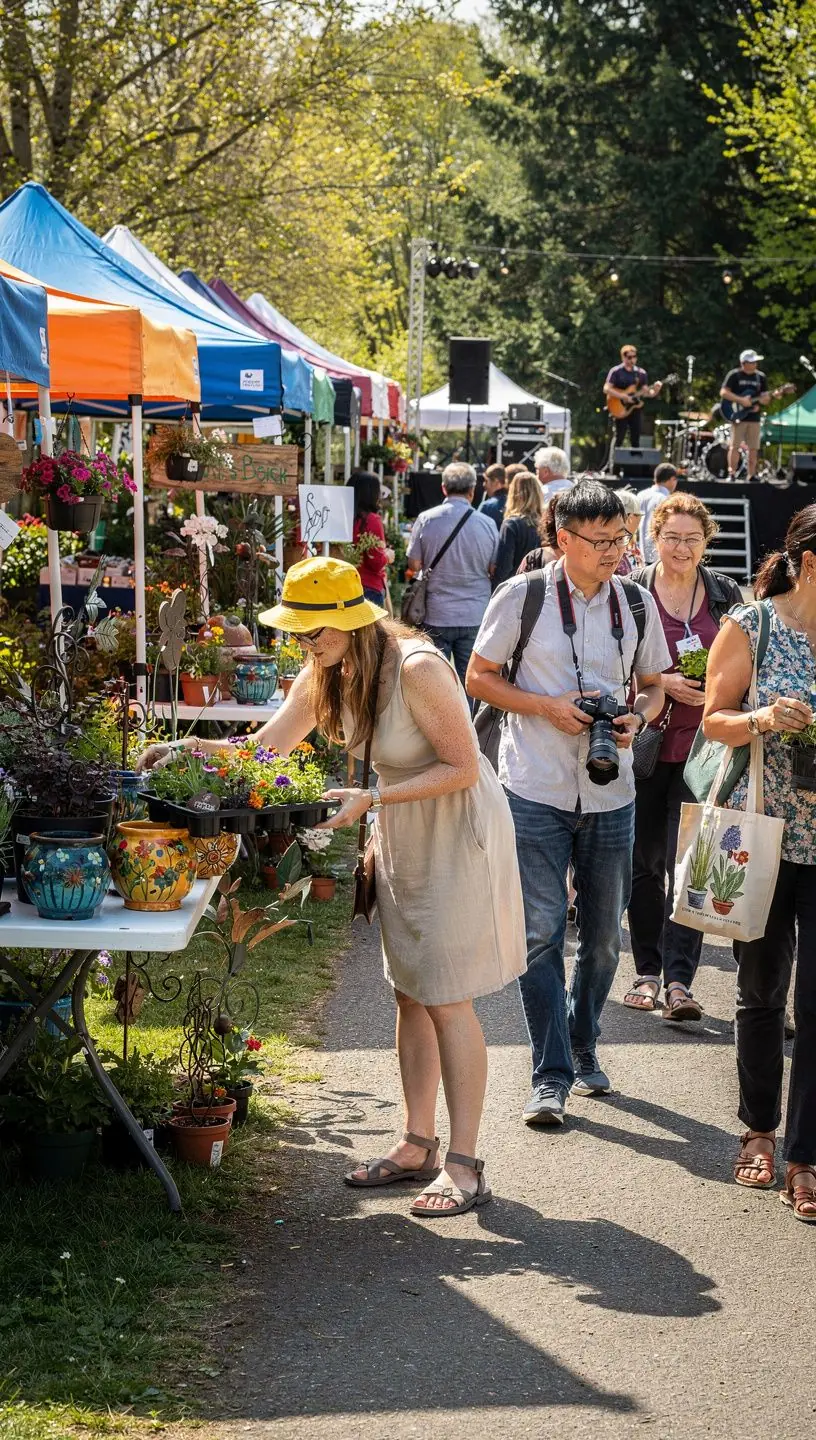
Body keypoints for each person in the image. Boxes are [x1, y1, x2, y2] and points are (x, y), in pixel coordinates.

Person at [139, 558, 526, 1215]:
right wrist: (189, 751)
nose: (304, 643)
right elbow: (267, 748)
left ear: (352, 621)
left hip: (458, 830)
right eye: (296, 631)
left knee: (447, 996)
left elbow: (463, 767)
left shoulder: (417, 668)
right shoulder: (325, 670)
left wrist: (374, 797)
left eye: (313, 631)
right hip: (401, 824)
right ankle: (417, 1144)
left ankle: (465, 1167)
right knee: (410, 992)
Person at [467, 481, 671, 1125]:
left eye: (620, 538)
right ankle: (550, 1071)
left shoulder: (635, 603)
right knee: (540, 934)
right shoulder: (520, 597)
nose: (615, 551)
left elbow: (653, 686)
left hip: (612, 792)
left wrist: (638, 717)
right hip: (534, 786)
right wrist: (545, 707)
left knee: (605, 940)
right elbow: (479, 677)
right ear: (563, 538)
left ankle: (584, 1044)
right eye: (601, 540)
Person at [702, 506, 816, 1223]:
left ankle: (805, 1154)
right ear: (809, 563)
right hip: (762, 835)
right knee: (762, 991)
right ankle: (759, 1128)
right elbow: (713, 719)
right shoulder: (753, 625)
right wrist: (765, 719)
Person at [624, 493, 743, 1018]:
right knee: (644, 865)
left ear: (706, 542)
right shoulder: (632, 591)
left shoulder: (723, 594)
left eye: (692, 539)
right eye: (671, 537)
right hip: (644, 746)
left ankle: (679, 982)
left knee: (691, 864)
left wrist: (718, 689)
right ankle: (646, 971)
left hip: (705, 749)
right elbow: (611, 664)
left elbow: (744, 661)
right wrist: (660, 684)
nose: (681, 547)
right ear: (654, 537)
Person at [406, 461, 498, 686]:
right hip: (474, 613)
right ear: (472, 491)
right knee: (472, 682)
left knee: (437, 682)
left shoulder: (426, 519)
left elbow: (414, 564)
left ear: (444, 488)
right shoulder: (487, 524)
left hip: (436, 612)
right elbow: (493, 568)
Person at [719, 348, 770, 483]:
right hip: (738, 416)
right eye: (752, 362)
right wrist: (740, 400)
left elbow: (765, 398)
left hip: (754, 417)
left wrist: (765, 400)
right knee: (734, 445)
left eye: (755, 362)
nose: (755, 364)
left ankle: (751, 475)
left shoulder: (761, 377)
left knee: (754, 447)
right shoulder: (734, 375)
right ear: (744, 363)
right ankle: (732, 473)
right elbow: (724, 392)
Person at [346, 470, 394, 604]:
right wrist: (388, 555)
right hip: (368, 587)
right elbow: (376, 562)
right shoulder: (371, 520)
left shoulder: (342, 518)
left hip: (344, 585)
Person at [604, 344, 664, 448]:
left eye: (634, 356)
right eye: (629, 357)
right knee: (620, 436)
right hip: (619, 407)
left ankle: (634, 457)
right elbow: (606, 389)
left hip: (634, 408)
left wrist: (655, 390)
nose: (632, 359)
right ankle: (615, 458)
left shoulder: (641, 373)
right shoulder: (616, 371)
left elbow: (647, 393)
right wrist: (624, 397)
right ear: (623, 357)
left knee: (636, 437)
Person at [493, 471, 545, 587]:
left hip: (515, 587)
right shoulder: (546, 523)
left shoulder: (511, 524)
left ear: (513, 493)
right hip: (541, 586)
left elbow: (505, 566)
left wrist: (495, 587)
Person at [638, 462, 678, 564]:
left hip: (639, 556)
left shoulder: (641, 495)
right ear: (672, 479)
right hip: (658, 558)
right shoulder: (666, 499)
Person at [613, 487, 645, 575]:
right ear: (629, 517)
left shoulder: (630, 542)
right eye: (638, 515)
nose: (640, 519)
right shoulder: (616, 546)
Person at [479, 463, 508, 529]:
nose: (484, 484)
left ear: (496, 482)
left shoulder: (486, 507)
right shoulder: (515, 505)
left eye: (486, 481)